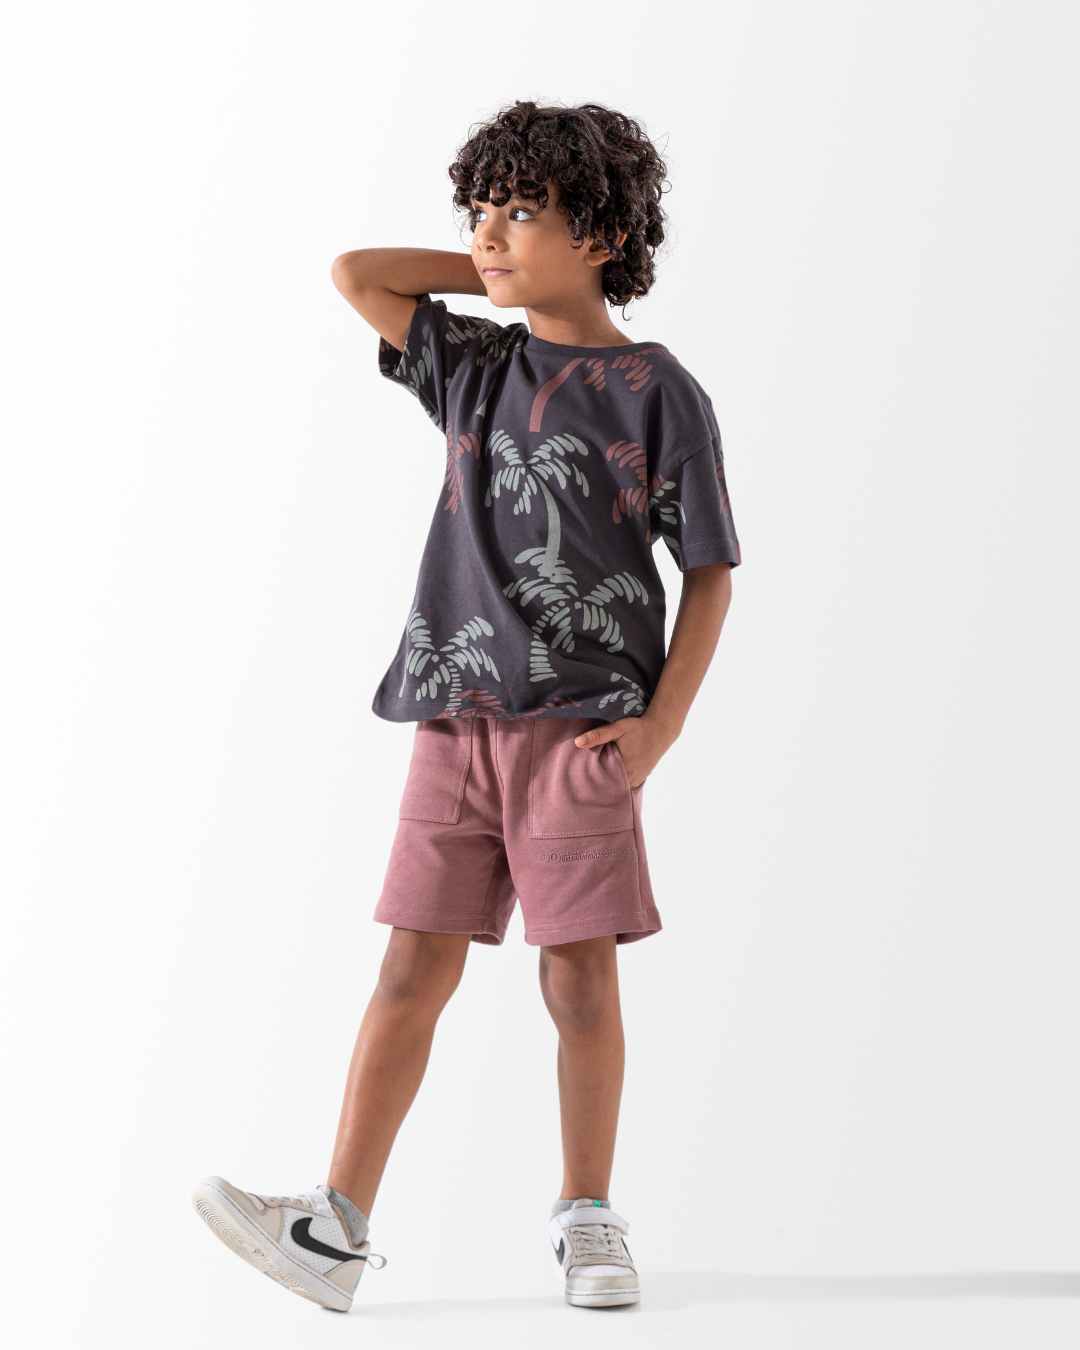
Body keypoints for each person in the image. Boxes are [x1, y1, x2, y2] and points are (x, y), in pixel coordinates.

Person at [193, 100, 740, 1313]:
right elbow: (358, 273)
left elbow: (709, 570)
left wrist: (661, 728)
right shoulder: (475, 366)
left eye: (524, 212)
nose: (487, 233)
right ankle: (332, 1229)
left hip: (582, 736)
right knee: (409, 968)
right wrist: (500, 266)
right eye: (479, 211)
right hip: (451, 727)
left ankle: (588, 1216)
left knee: (579, 982)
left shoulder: (658, 391)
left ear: (603, 233)